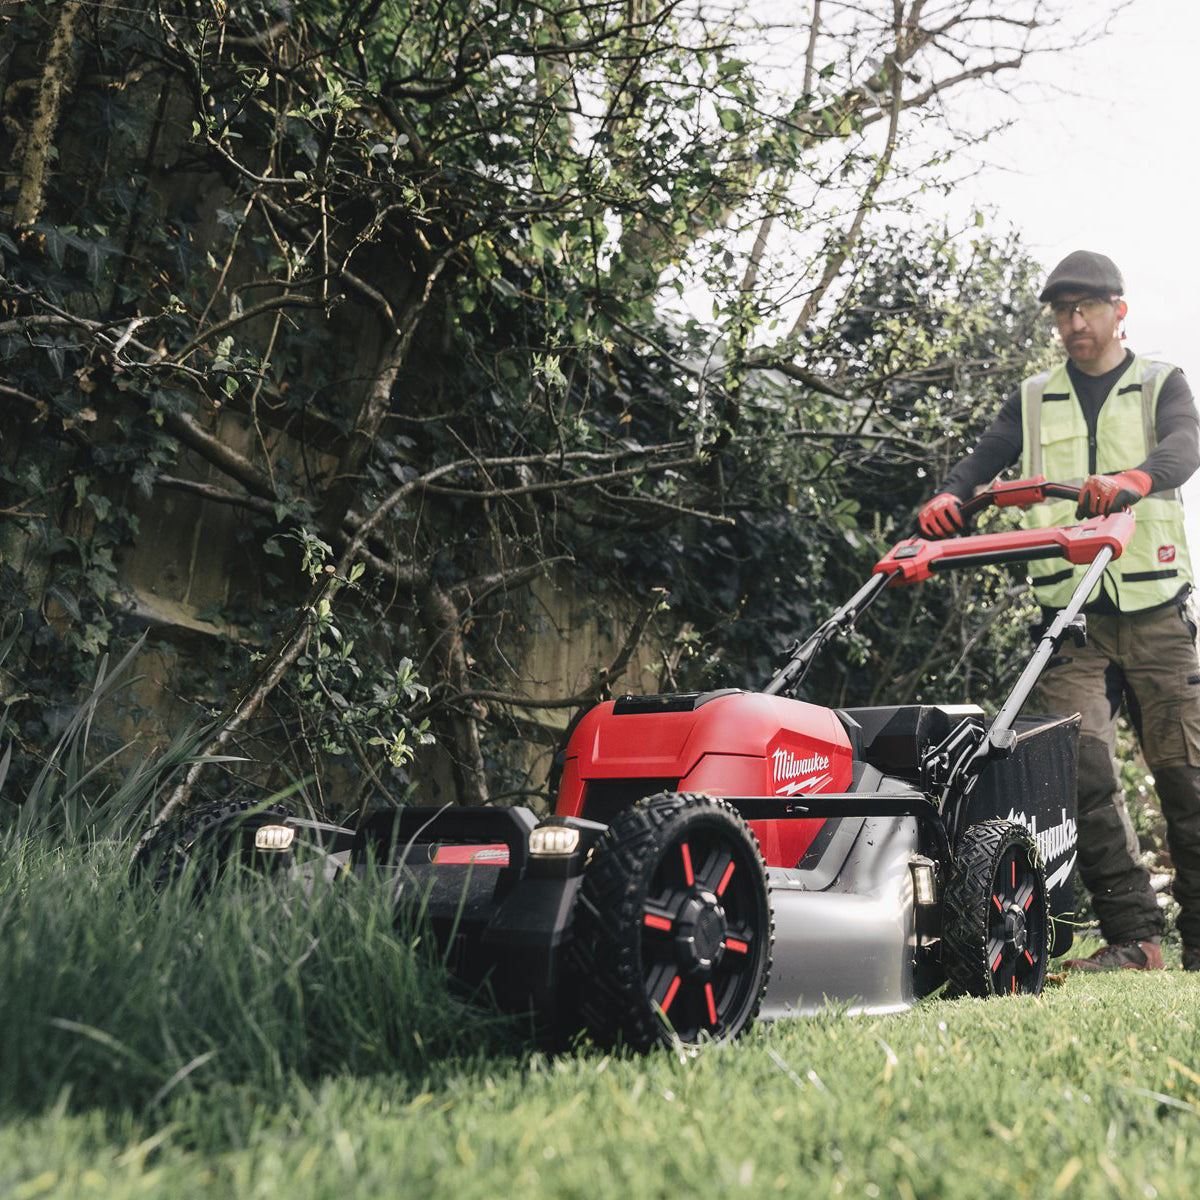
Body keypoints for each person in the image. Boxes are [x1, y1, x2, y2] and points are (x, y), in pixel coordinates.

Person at [918, 249, 1200, 972]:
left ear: (1119, 310)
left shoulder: (1160, 382)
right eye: (1062, 314)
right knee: (1081, 766)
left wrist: (1137, 478)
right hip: (1069, 615)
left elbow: (1185, 444)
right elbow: (987, 456)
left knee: (1185, 770)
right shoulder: (1035, 396)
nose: (1074, 324)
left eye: (1087, 310)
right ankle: (1135, 936)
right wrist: (953, 495)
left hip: (1155, 607)